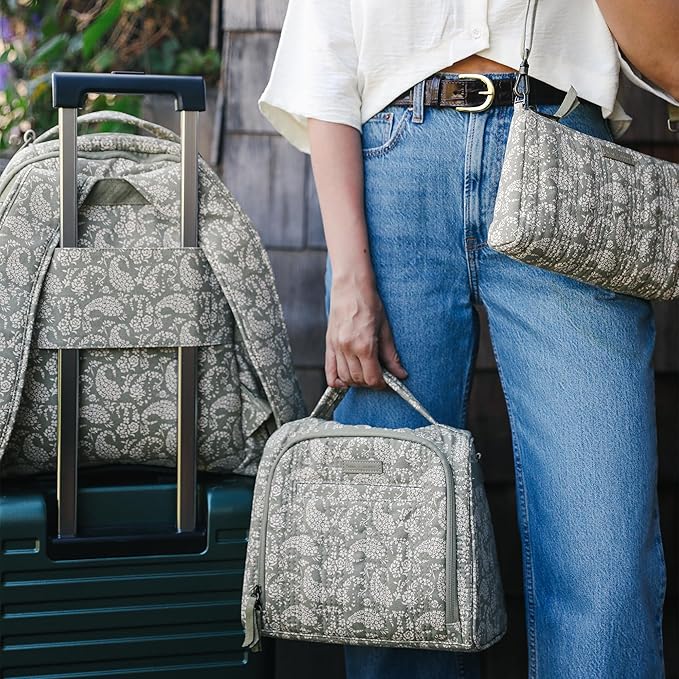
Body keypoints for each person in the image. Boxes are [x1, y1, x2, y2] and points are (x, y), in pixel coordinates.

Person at [256, 1, 679, 677]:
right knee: (393, 550)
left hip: (566, 159)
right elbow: (325, 51)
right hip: (391, 168)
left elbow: (667, 56)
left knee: (605, 540)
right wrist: (351, 280)